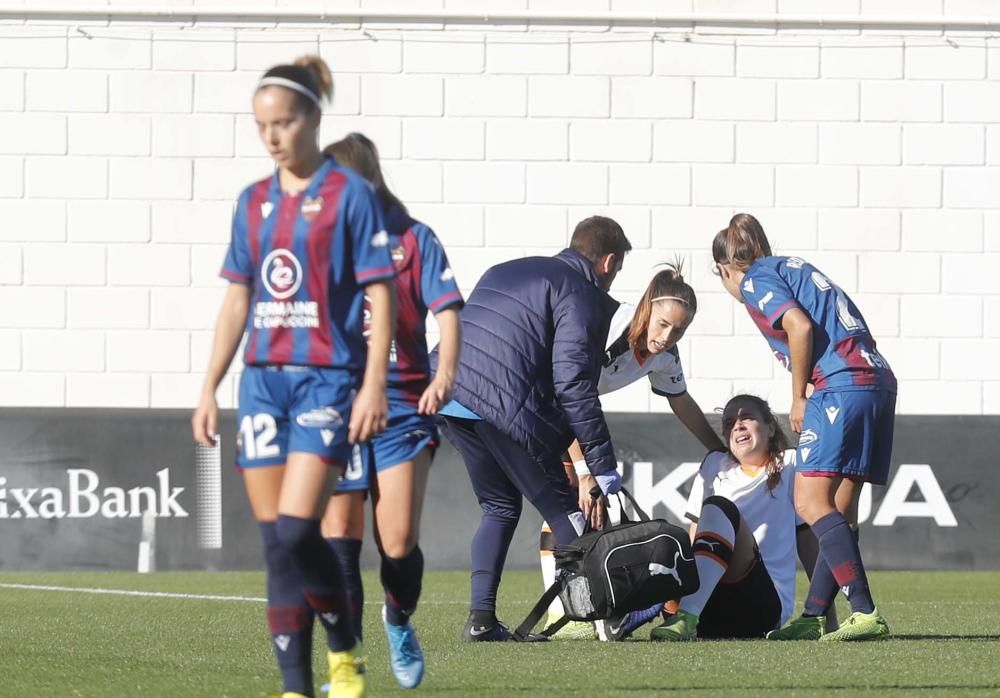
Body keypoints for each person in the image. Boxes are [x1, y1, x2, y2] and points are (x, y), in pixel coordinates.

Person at [191, 56, 396, 698]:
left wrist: (369, 385)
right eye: (262, 126)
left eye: (283, 122)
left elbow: (381, 297)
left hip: (326, 382)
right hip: (261, 383)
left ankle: (342, 642)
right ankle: (295, 688)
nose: (273, 136)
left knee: (299, 528)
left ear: (312, 118)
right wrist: (208, 387)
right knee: (276, 545)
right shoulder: (253, 204)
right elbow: (236, 301)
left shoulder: (349, 197)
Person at [436, 216, 632, 641]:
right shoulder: (579, 291)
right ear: (608, 261)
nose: (613, 281)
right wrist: (600, 464)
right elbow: (573, 383)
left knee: (500, 507)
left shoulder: (507, 268)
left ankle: (482, 622)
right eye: (617, 272)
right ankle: (604, 622)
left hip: (450, 395)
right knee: (568, 516)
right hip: (500, 405)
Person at [319, 133, 463, 689]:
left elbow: (449, 313)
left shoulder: (413, 240)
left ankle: (398, 619)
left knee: (397, 542)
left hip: (403, 407)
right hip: (336, 410)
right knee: (340, 543)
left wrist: (445, 373)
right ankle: (346, 664)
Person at [712, 213, 896, 642]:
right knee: (840, 510)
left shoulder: (756, 278)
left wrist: (797, 395)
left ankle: (865, 611)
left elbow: (798, 324)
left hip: (839, 386)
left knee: (809, 500)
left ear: (724, 269)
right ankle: (815, 613)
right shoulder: (793, 267)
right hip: (875, 381)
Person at [537, 264, 726, 641]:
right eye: (662, 324)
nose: (668, 336)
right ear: (645, 308)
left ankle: (581, 608)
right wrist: (581, 465)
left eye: (679, 330)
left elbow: (681, 402)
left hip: (573, 411)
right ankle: (559, 611)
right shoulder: (607, 328)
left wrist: (719, 450)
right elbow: (567, 394)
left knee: (580, 509)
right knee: (567, 503)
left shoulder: (665, 355)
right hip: (541, 401)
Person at [646, 395, 820, 640]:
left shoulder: (791, 463)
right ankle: (627, 615)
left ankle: (686, 616)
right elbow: (695, 539)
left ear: (770, 428)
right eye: (729, 422)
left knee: (719, 507)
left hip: (761, 609)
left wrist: (824, 614)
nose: (737, 425)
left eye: (747, 417)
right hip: (709, 614)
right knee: (661, 540)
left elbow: (809, 544)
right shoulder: (715, 463)